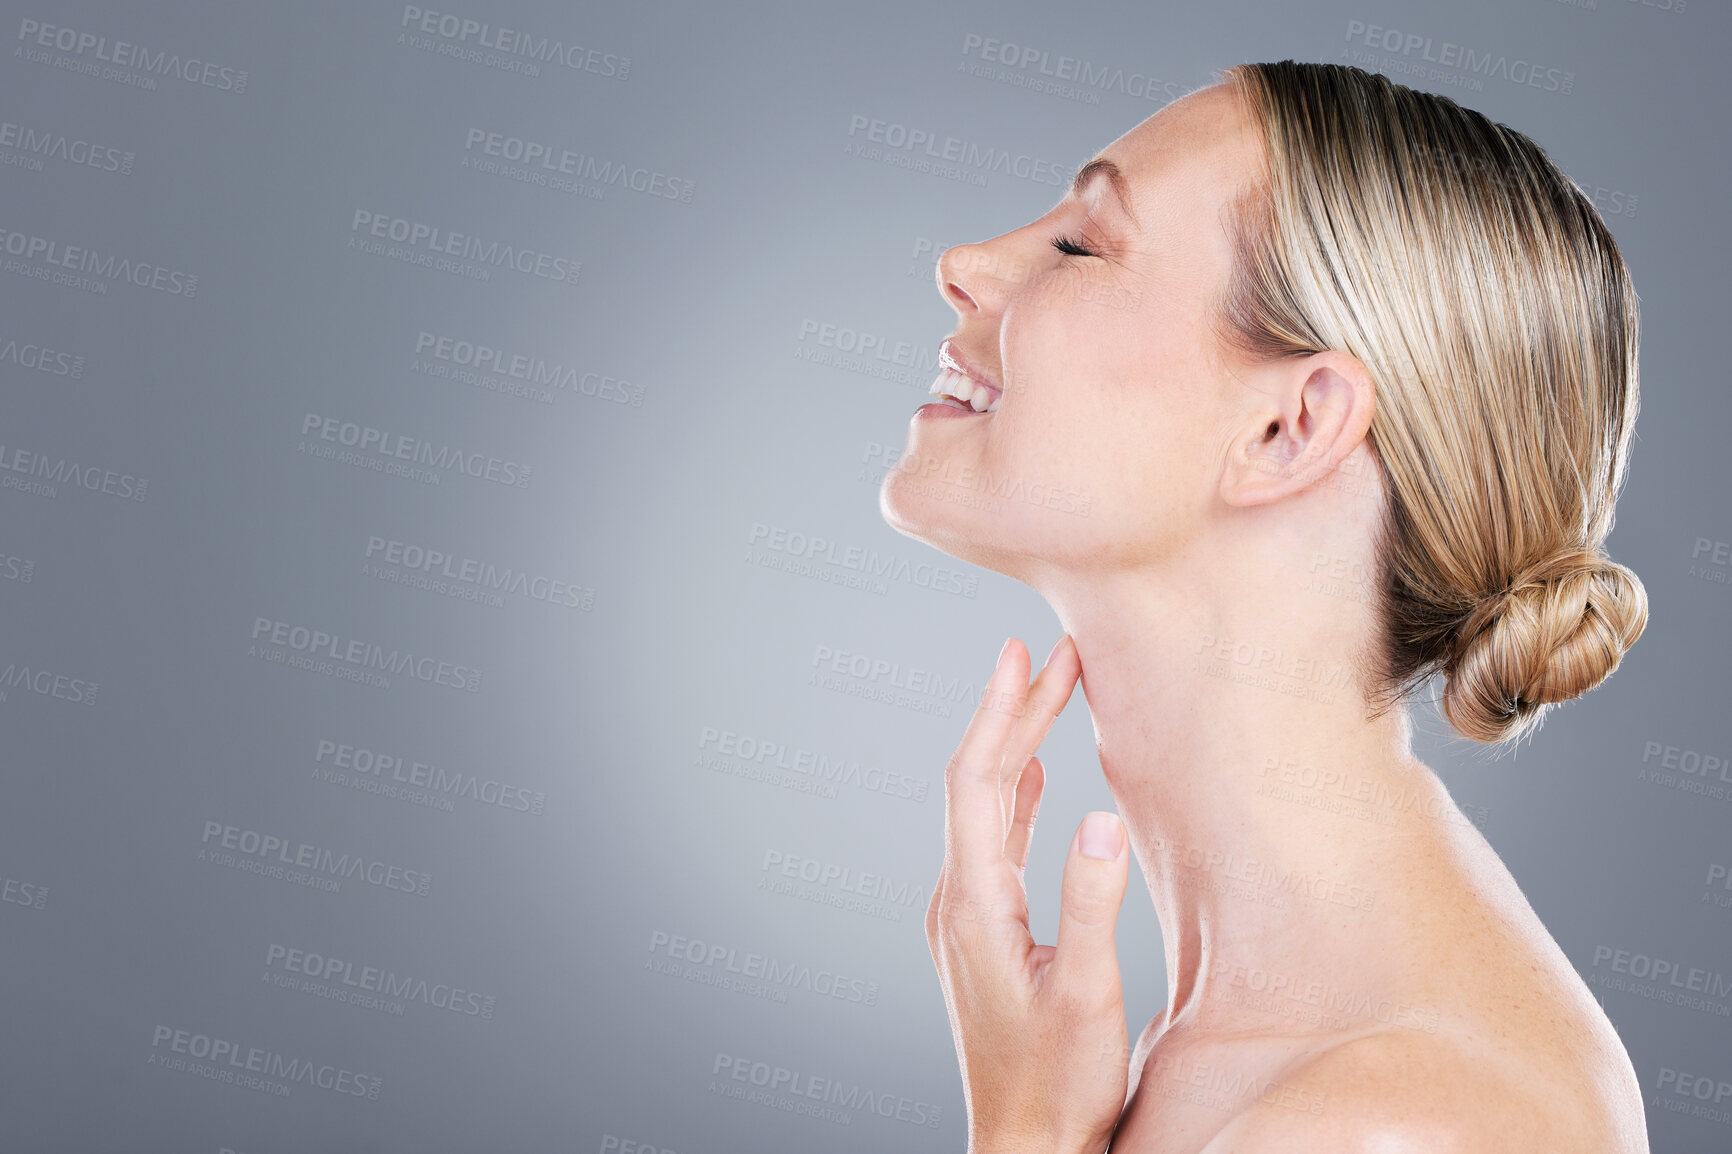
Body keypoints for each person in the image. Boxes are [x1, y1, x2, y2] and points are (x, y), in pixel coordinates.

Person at [883, 60, 1650, 1154]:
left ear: (1291, 427)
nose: (964, 265)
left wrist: (1018, 1137)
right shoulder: (1222, 1049)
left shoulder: (1390, 1124)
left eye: (1081, 246)